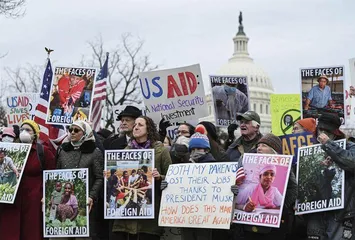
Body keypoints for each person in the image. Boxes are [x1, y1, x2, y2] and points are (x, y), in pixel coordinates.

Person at [111, 116, 172, 240]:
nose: (136, 127)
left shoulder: (161, 150)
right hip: (127, 215)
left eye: (140, 125)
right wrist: (111, 175)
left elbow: (172, 177)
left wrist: (159, 177)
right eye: (135, 125)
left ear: (148, 129)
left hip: (149, 212)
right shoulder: (125, 151)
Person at [234, 133, 298, 239]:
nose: (259, 148)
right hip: (247, 227)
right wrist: (235, 190)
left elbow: (293, 189)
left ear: (273, 150)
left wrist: (282, 206)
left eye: (264, 146)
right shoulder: (250, 186)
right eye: (258, 146)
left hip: (272, 229)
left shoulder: (284, 169)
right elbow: (237, 201)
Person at [0, 120, 56, 240]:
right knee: (10, 232)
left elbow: (52, 176)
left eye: (28, 130)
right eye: (21, 130)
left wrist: (48, 196)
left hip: (34, 202)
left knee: (32, 233)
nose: (24, 132)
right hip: (13, 201)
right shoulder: (12, 151)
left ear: (35, 134)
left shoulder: (44, 152)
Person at [307, 113, 355, 240]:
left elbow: (351, 163)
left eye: (326, 131)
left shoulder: (349, 146)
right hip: (317, 213)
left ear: (335, 133)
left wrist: (329, 145)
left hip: (340, 214)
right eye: (320, 130)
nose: (322, 134)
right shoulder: (310, 151)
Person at [56, 120, 103, 240]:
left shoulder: (94, 152)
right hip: (64, 199)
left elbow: (99, 177)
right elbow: (56, 175)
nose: (72, 132)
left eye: (76, 130)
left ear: (85, 133)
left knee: (82, 236)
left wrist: (91, 196)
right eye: (70, 130)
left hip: (85, 202)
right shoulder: (62, 151)